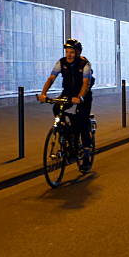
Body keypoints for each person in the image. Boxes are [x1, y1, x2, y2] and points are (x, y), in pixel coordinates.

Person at [37, 38, 94, 171]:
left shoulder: (84, 64)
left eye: (72, 52)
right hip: (67, 93)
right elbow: (51, 78)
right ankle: (66, 133)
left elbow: (86, 83)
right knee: (56, 107)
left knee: (82, 122)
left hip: (82, 95)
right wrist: (43, 94)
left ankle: (86, 154)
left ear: (78, 53)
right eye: (67, 52)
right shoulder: (61, 63)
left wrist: (80, 97)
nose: (69, 55)